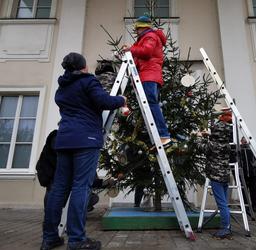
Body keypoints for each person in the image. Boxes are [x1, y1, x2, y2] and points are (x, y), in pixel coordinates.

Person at [41, 52, 126, 250]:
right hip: (85, 140)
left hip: (63, 140)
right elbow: (104, 101)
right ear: (83, 67)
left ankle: (50, 237)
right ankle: (77, 240)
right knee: (81, 187)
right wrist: (121, 99)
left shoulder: (62, 88)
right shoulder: (88, 82)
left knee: (59, 187)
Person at [121, 15, 172, 149]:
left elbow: (147, 52)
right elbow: (140, 56)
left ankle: (164, 135)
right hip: (148, 74)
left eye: (137, 28)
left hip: (149, 75)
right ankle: (160, 138)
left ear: (142, 27)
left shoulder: (150, 37)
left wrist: (130, 49)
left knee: (151, 104)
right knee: (150, 105)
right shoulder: (145, 38)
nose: (136, 31)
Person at [203, 111, 233, 239]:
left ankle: (225, 229)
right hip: (225, 176)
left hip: (216, 177)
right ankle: (227, 226)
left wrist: (200, 136)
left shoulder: (213, 145)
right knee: (224, 203)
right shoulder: (226, 144)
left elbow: (201, 147)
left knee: (222, 204)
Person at [240, 136, 256, 213]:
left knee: (254, 190)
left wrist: (253, 165)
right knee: (244, 191)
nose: (245, 142)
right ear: (241, 141)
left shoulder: (252, 149)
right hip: (243, 174)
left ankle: (255, 206)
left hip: (253, 174)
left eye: (246, 141)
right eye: (243, 141)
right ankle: (246, 206)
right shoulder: (239, 150)